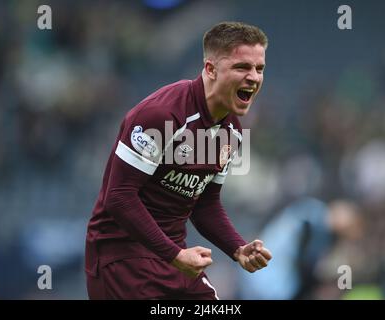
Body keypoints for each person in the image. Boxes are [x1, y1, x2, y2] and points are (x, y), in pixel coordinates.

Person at [85, 21, 272, 300]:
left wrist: (237, 249)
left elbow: (205, 203)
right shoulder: (161, 115)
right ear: (210, 69)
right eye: (242, 67)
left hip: (176, 260)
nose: (254, 78)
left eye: (259, 69)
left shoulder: (231, 131)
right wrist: (174, 255)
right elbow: (120, 197)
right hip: (123, 260)